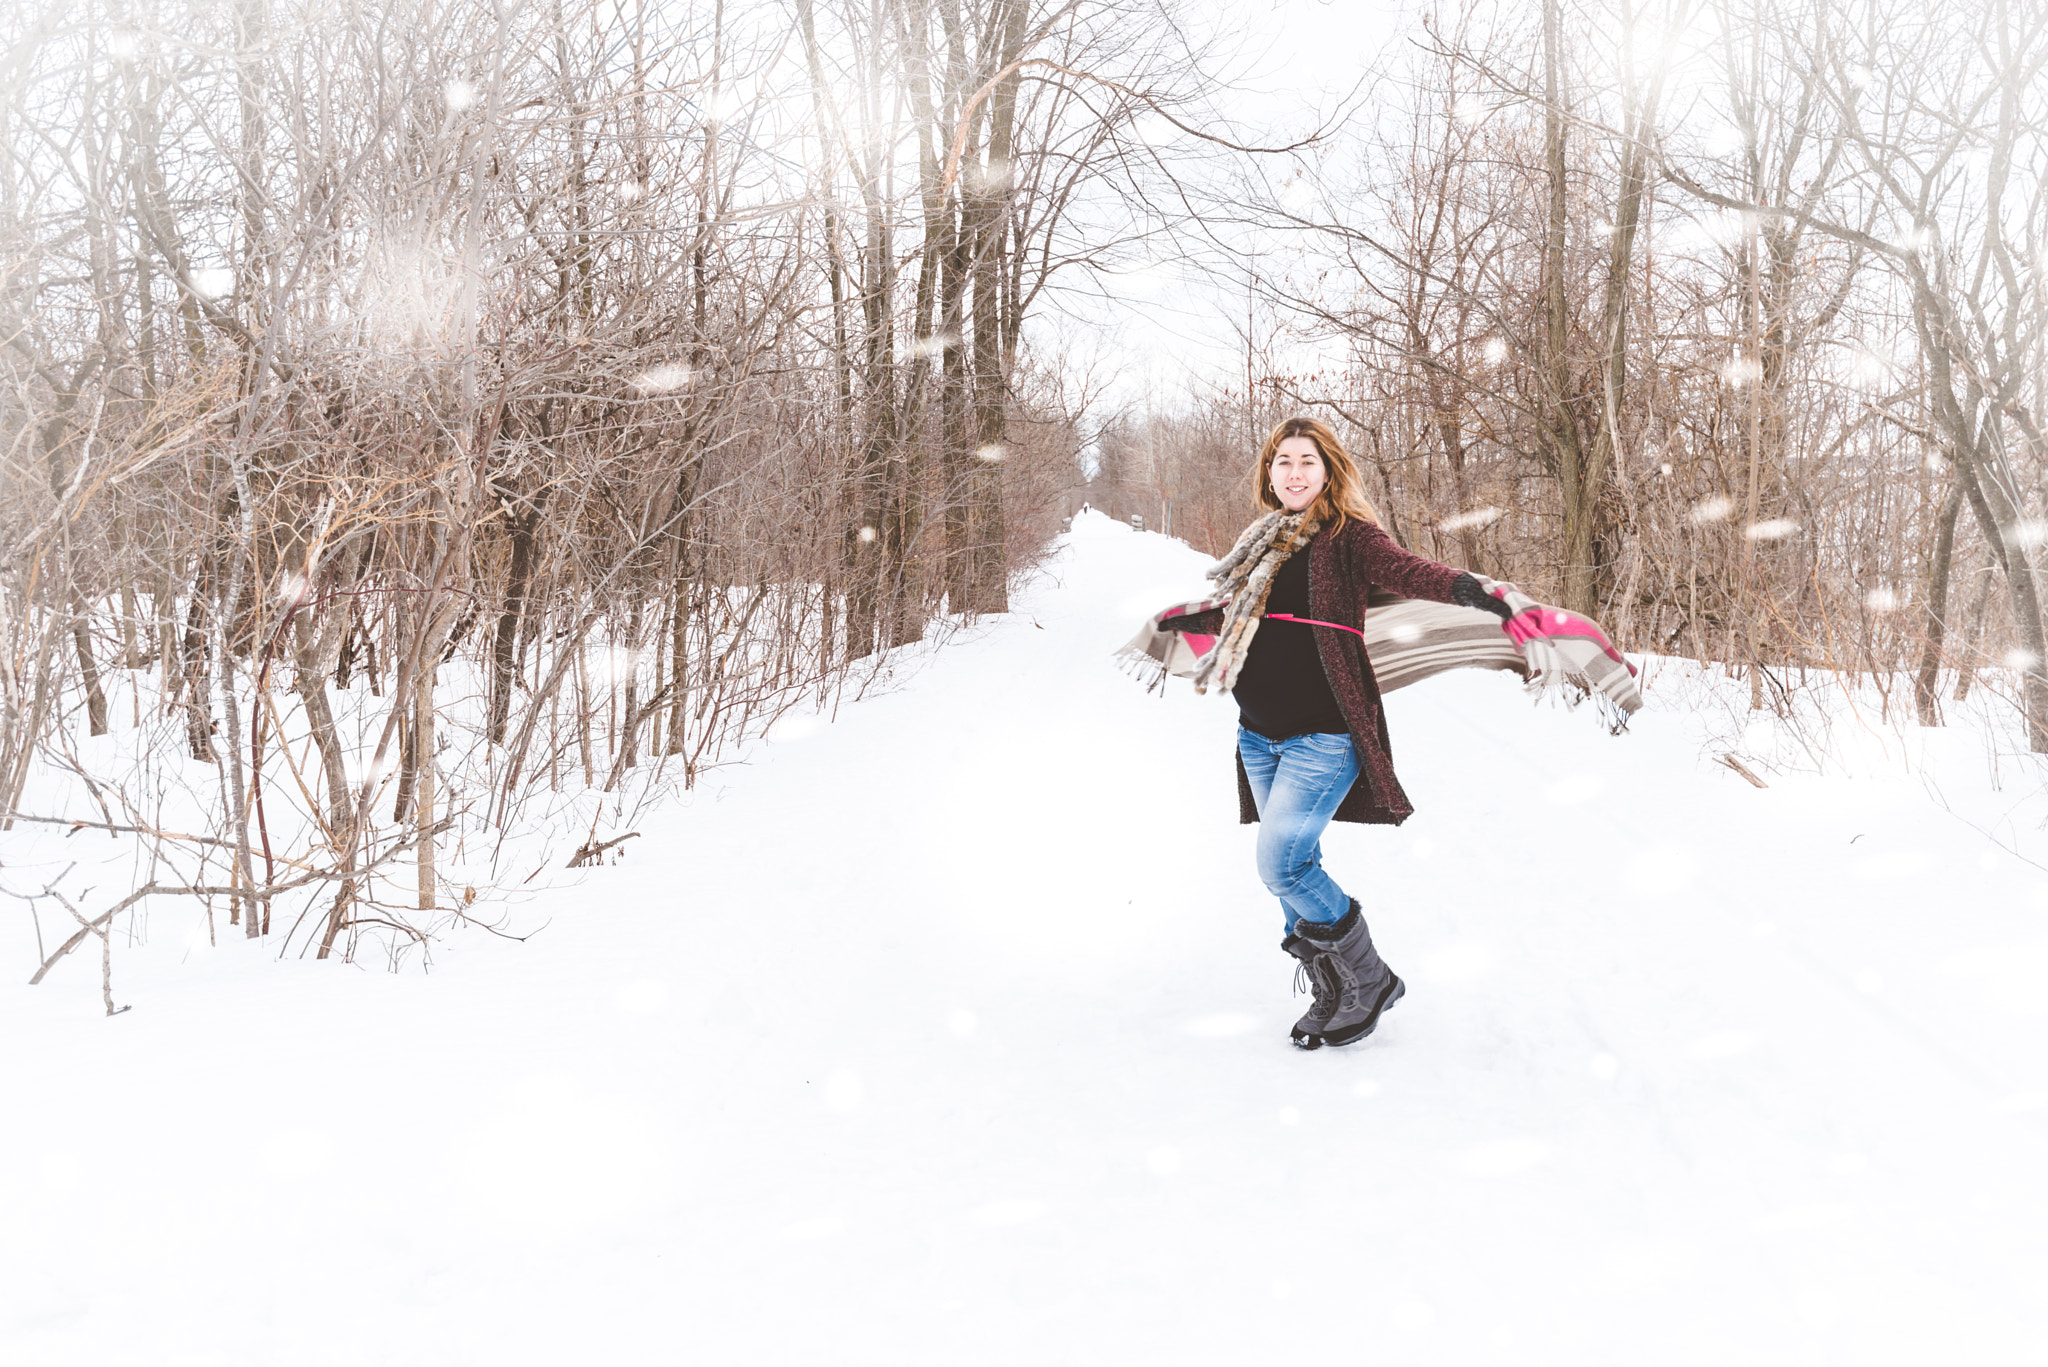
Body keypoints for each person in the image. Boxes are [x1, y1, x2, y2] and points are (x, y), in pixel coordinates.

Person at [1158, 416, 1514, 1050]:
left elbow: (1409, 571)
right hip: (1258, 736)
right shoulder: (1263, 542)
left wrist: (1471, 589)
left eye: (1307, 462)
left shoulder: (1351, 539)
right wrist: (1183, 621)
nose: (1294, 473)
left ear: (1329, 472)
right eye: (1283, 462)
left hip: (1323, 736)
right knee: (1298, 865)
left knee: (1281, 866)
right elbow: (1248, 618)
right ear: (1269, 473)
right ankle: (1334, 988)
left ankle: (1369, 980)